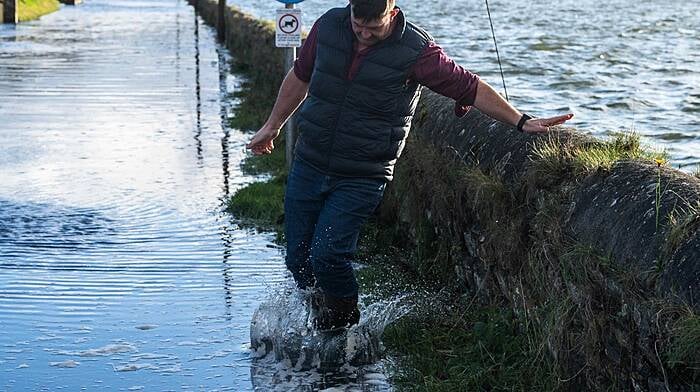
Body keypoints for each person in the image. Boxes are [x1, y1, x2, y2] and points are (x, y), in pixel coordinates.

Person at [247, 0, 573, 330]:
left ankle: (342, 333)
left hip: (362, 175)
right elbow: (300, 76)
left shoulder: (417, 50)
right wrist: (272, 125)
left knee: (328, 256)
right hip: (310, 162)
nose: (362, 34)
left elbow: (470, 87)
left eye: (372, 28)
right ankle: (321, 318)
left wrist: (521, 121)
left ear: (392, 11)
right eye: (357, 24)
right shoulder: (329, 25)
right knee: (298, 259)